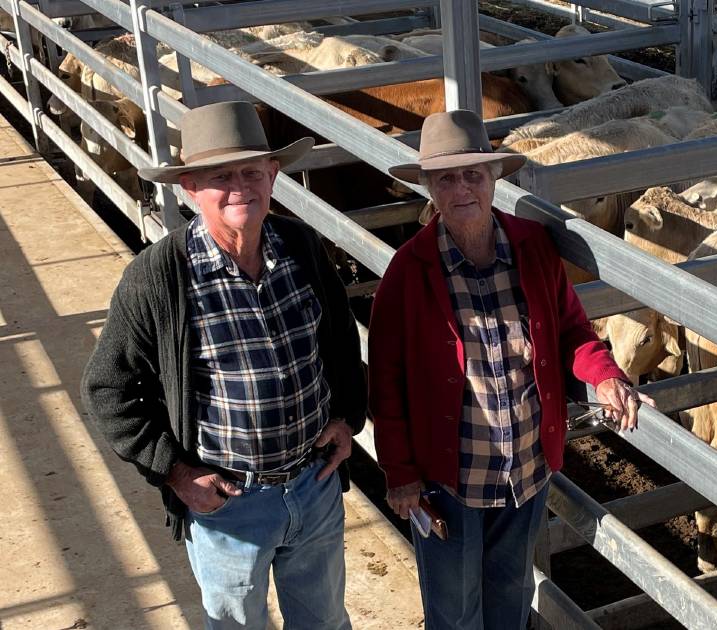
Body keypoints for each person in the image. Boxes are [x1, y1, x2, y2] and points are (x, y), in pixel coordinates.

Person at [81, 101, 366, 629]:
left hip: (312, 482)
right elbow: (107, 389)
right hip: (230, 502)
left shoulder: (301, 247)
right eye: (220, 176)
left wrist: (348, 417)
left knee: (325, 621)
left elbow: (341, 343)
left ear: (274, 175)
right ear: (190, 187)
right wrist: (175, 472)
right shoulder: (160, 276)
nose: (241, 187)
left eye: (252, 172)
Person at [369, 109, 653, 629]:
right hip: (447, 480)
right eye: (446, 178)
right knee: (454, 611)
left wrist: (606, 374)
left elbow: (571, 331)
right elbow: (385, 380)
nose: (462, 190)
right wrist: (401, 475)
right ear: (429, 187)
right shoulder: (408, 272)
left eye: (473, 174)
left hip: (525, 471)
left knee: (510, 596)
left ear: (494, 178)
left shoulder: (533, 247)